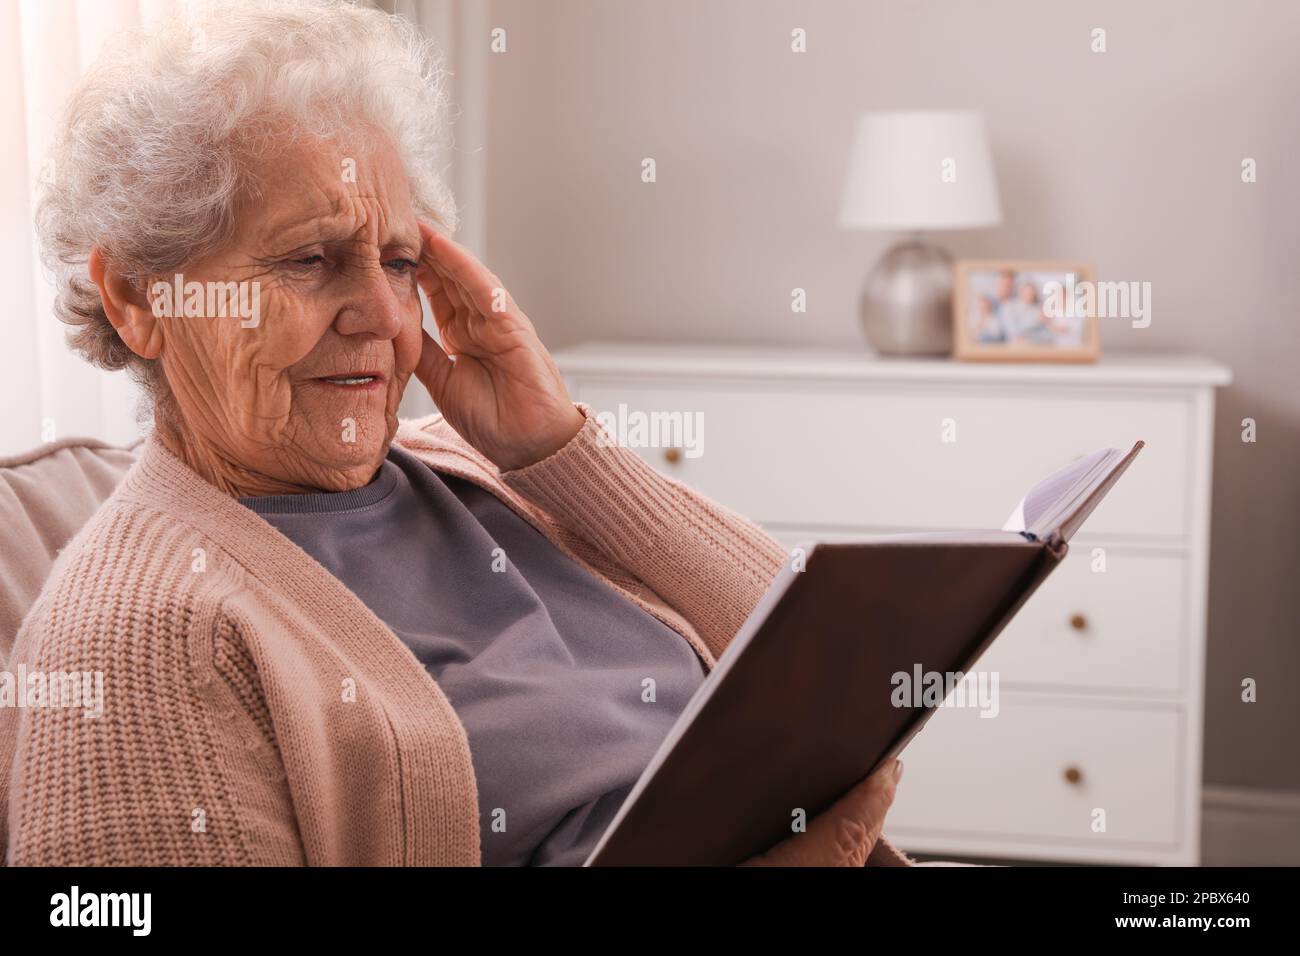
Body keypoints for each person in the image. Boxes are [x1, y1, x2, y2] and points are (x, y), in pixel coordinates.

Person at [0, 0, 913, 867]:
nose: (379, 315)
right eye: (311, 260)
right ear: (137, 298)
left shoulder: (487, 471)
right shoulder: (142, 638)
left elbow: (839, 670)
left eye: (399, 262)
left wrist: (561, 449)